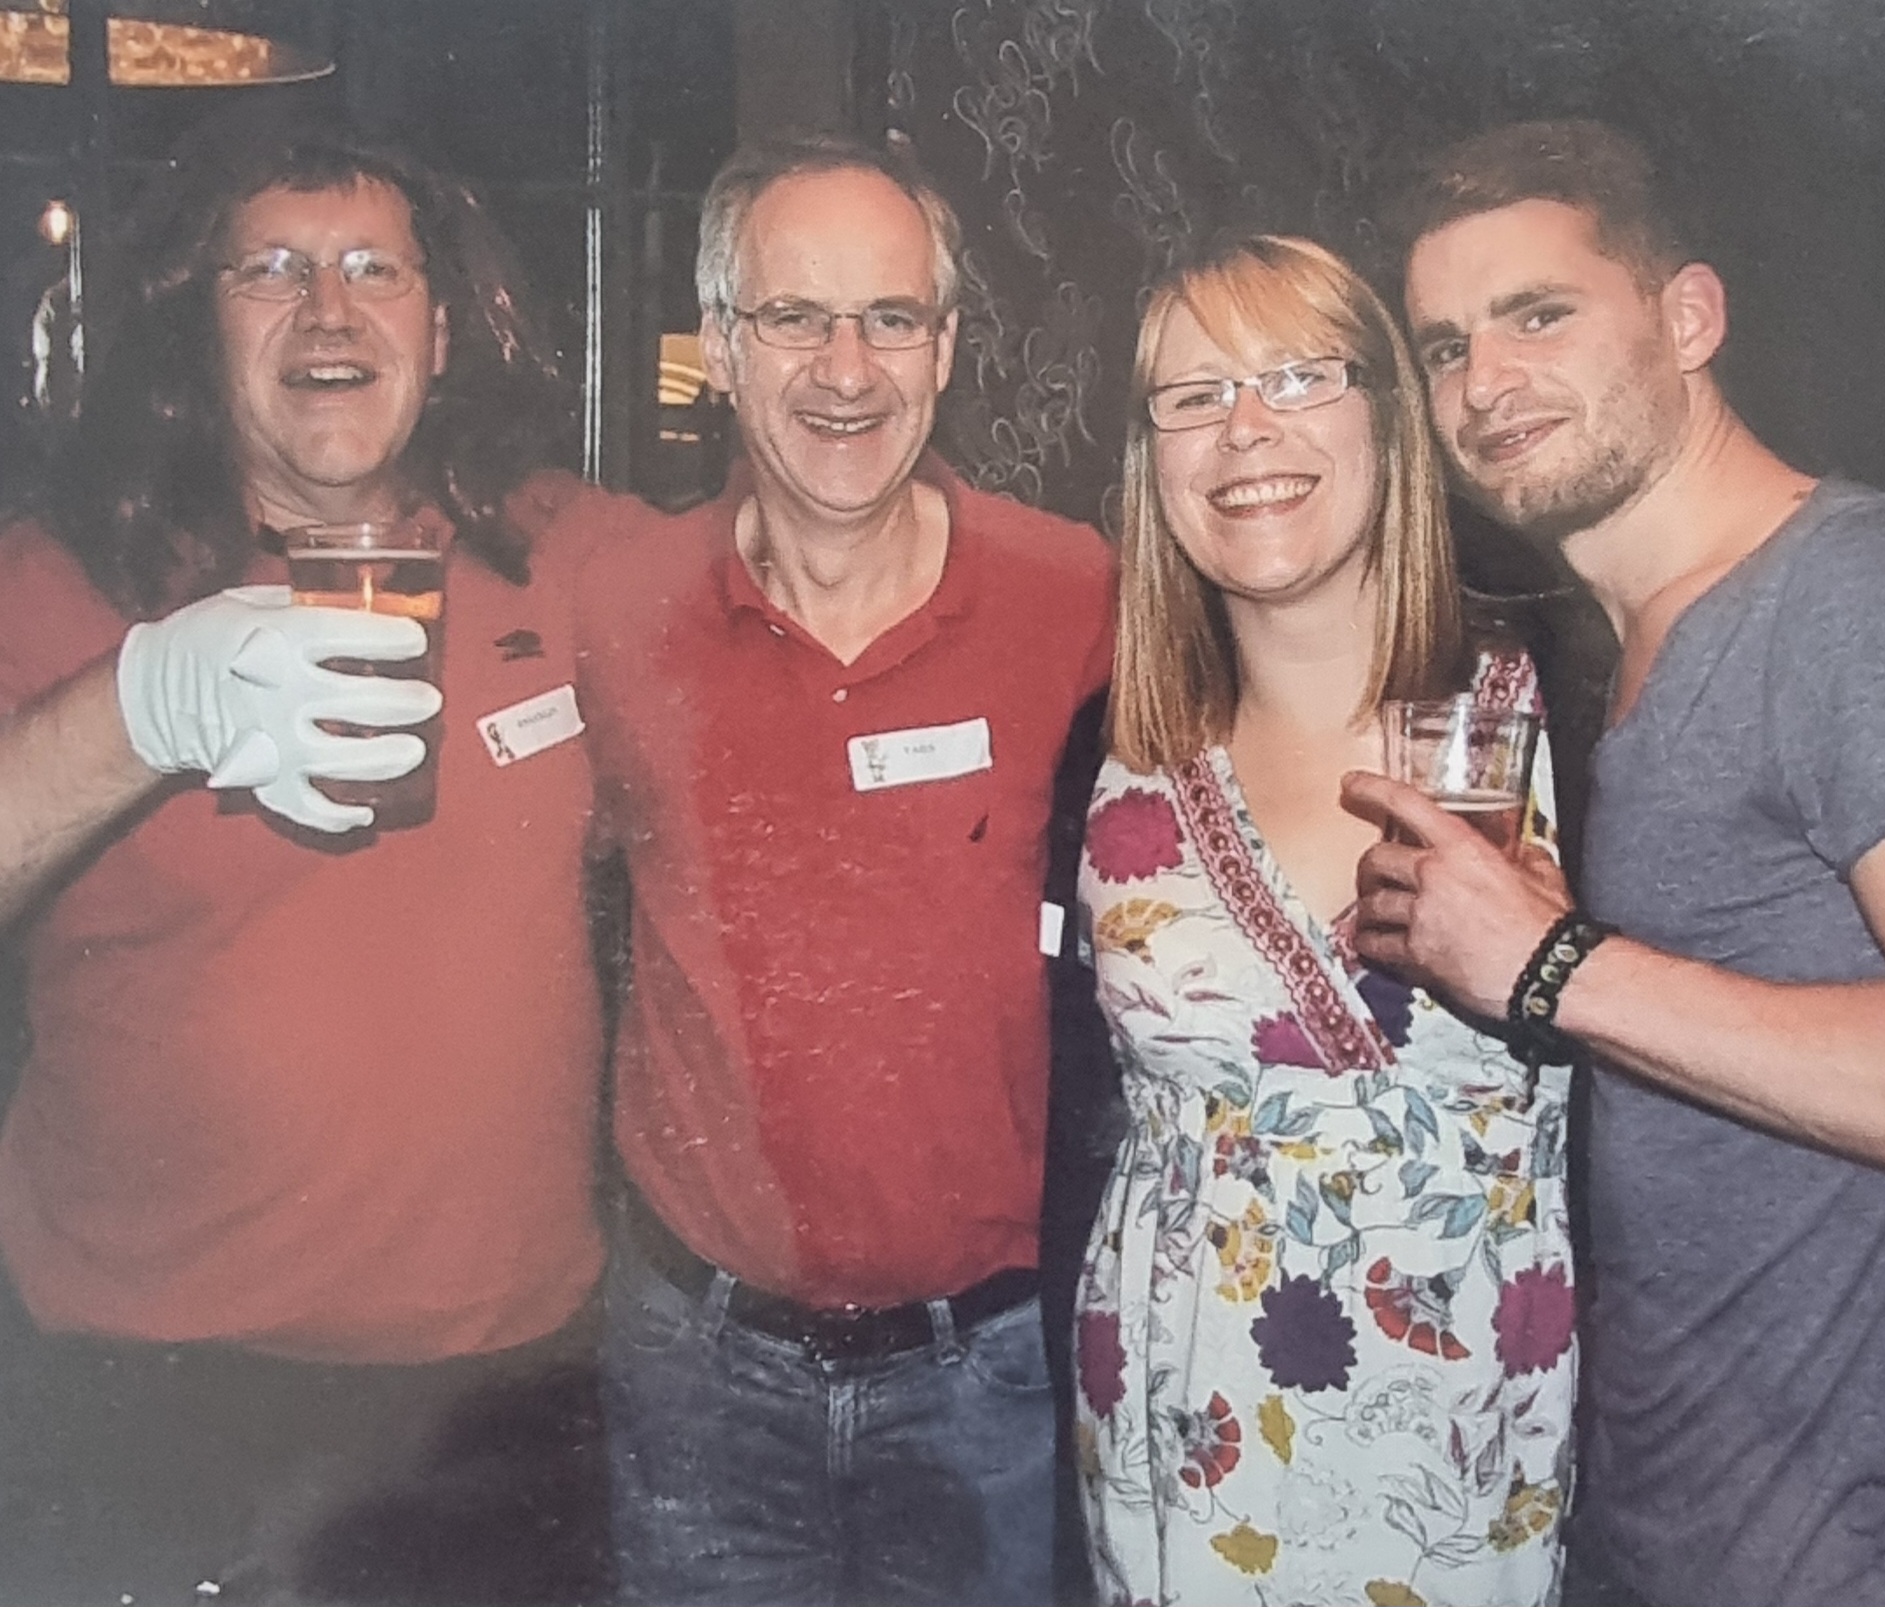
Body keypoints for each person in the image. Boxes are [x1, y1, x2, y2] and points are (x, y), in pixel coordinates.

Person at [1348, 117, 1885, 1606]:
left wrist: (1555, 965)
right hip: (1674, 1546)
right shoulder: (1631, 652)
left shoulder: (1869, 593)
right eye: (1445, 346)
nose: (1484, 384)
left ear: (1689, 317)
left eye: (1540, 316)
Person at [0, 107, 613, 1603]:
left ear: (446, 330)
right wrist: (143, 703)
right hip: (155, 1379)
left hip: (501, 1387)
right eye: (269, 268)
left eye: (373, 271)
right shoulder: (57, 581)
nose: (329, 309)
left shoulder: (572, 554)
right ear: (199, 327)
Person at [571, 133, 1116, 1605]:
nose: (845, 369)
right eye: (793, 318)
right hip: (698, 1363)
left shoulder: (1076, 593)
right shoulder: (614, 614)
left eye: (890, 318)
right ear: (723, 353)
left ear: (945, 350)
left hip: (987, 1375)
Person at [1071, 234, 1574, 1607]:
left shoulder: (1563, 714)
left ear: (1389, 418)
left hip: (1488, 1470)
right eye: (1193, 394)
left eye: (1300, 375)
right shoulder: (1104, 752)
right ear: (1150, 455)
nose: (1246, 432)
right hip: (1184, 1473)